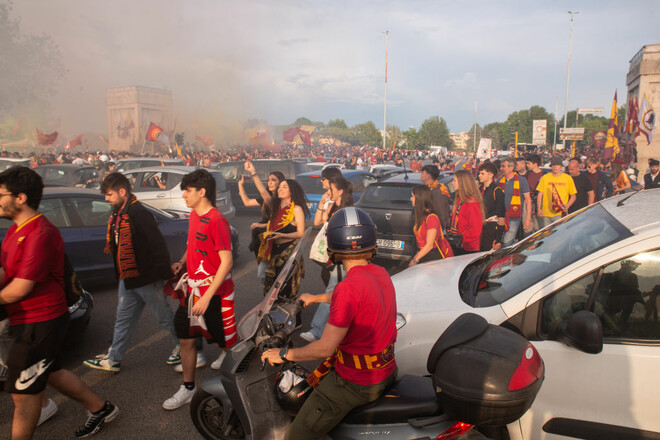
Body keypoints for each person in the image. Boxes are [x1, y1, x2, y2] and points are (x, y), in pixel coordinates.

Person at [0, 166, 118, 439]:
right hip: (23, 319)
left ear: (20, 197)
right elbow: (7, 273)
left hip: (40, 321)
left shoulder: (40, 233)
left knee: (24, 393)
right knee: (50, 373)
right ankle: (100, 408)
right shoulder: (15, 230)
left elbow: (20, 287)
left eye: (1, 194)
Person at [261, 207, 397, 440]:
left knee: (294, 437)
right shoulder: (380, 273)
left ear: (334, 246)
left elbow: (325, 348)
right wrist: (316, 298)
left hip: (355, 382)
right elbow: (355, 299)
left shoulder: (347, 288)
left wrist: (283, 354)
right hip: (384, 370)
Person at [84, 172, 183, 374]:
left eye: (109, 194)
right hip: (128, 279)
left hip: (146, 279)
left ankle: (186, 347)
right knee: (123, 320)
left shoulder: (138, 213)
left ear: (122, 192)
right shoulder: (120, 213)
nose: (106, 199)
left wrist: (165, 273)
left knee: (164, 316)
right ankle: (114, 359)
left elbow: (157, 245)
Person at [164, 169, 237, 410]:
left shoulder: (217, 220)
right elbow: (192, 243)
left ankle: (239, 379)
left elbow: (226, 261)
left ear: (201, 192)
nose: (183, 195)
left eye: (187, 190)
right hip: (192, 293)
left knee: (225, 343)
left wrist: (206, 297)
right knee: (186, 340)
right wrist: (183, 261)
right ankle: (188, 388)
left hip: (213, 295)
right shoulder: (194, 215)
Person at [301, 175, 354, 342]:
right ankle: (337, 327)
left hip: (340, 259)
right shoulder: (334, 207)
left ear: (340, 191)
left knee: (331, 293)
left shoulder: (345, 211)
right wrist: (324, 204)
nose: (328, 191)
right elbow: (320, 221)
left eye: (331, 189)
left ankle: (317, 331)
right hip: (332, 258)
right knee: (337, 294)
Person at [258, 179, 308, 296]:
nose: (280, 189)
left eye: (284, 187)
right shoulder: (275, 207)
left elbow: (300, 233)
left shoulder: (296, 209)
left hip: (288, 253)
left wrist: (282, 235)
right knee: (268, 284)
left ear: (292, 190)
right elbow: (262, 192)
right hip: (273, 251)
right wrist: (253, 173)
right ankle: (271, 311)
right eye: (279, 187)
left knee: (285, 288)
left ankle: (286, 312)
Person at [238, 161, 285, 285]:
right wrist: (240, 186)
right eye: (269, 179)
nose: (269, 182)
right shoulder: (267, 198)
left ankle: (274, 298)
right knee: (265, 274)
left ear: (281, 183)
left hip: (274, 240)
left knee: (265, 274)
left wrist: (254, 173)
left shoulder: (280, 200)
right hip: (261, 241)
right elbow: (247, 202)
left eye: (273, 180)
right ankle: (272, 298)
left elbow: (276, 221)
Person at [409, 185, 454, 267]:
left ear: (419, 198)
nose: (410, 199)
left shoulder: (431, 218)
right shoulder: (421, 216)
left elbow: (429, 245)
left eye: (412, 196)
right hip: (423, 255)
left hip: (432, 258)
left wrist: (415, 259)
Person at [448, 170, 485, 254]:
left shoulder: (471, 203)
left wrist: (461, 239)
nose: (452, 183)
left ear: (462, 183)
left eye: (454, 181)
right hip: (457, 244)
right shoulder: (460, 199)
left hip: (468, 247)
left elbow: (475, 230)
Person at [498, 156, 532, 247]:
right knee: (499, 242)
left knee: (507, 243)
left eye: (503, 166)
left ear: (511, 168)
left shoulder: (522, 181)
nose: (501, 169)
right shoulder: (499, 182)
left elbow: (528, 200)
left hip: (514, 217)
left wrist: (528, 218)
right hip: (500, 218)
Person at [536, 156, 577, 229]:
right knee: (547, 235)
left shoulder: (567, 178)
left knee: (558, 234)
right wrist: (539, 208)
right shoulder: (545, 177)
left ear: (561, 166)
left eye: (557, 165)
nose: (555, 167)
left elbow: (573, 196)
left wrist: (567, 207)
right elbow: (540, 194)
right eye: (553, 165)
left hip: (560, 212)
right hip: (546, 212)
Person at [477, 162, 505, 251]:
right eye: (479, 173)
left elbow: (501, 216)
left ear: (490, 175)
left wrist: (498, 239)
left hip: (490, 229)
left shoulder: (497, 191)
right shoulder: (478, 189)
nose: (479, 176)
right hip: (478, 228)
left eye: (482, 173)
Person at [420, 165, 450, 229]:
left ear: (428, 176)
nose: (421, 175)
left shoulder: (439, 192)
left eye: (423, 173)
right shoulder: (425, 189)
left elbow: (442, 215)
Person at [525, 153, 545, 230]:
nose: (527, 165)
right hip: (529, 201)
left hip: (539, 201)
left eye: (529, 163)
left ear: (535, 164)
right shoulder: (528, 174)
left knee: (540, 224)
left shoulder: (544, 175)